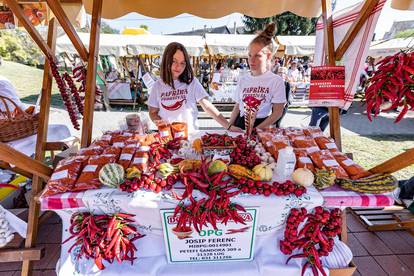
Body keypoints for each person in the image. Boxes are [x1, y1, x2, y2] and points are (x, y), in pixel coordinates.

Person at [148, 42, 242, 133]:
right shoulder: (157, 86)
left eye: (182, 63)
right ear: (166, 60)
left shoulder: (191, 82)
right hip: (168, 138)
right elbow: (153, 112)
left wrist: (228, 125)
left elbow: (207, 106)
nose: (178, 67)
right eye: (174, 61)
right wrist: (161, 124)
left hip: (191, 136)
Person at [228, 23, 286, 130]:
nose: (251, 60)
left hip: (262, 125)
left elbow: (278, 112)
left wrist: (256, 130)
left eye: (257, 56)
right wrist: (229, 126)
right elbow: (237, 106)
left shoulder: (275, 80)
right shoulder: (243, 79)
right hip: (240, 124)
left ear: (268, 56)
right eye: (249, 55)